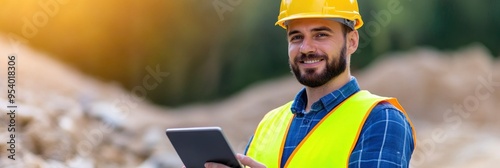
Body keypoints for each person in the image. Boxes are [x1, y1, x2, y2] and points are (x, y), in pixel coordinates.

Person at [205, 0, 416, 167]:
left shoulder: (380, 120)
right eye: (296, 37)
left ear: (352, 41)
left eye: (321, 34)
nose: (306, 48)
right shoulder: (269, 124)